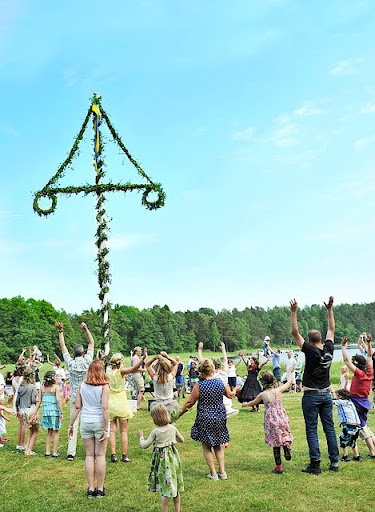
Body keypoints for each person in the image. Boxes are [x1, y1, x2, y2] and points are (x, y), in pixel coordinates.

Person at [290, 296, 339, 474]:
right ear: (320, 339)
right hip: (326, 394)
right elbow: (332, 329)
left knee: (312, 429)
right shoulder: (329, 349)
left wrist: (294, 312)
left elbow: (295, 333)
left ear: (310, 341)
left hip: (311, 395)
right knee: (329, 428)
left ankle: (316, 464)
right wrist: (330, 310)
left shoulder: (309, 350)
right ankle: (334, 463)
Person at [177, 359, 239, 480]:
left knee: (206, 446)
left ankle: (213, 473)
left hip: (205, 417)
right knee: (218, 445)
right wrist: (235, 390)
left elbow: (190, 402)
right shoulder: (220, 382)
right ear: (212, 370)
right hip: (220, 417)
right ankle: (222, 472)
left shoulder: (199, 385)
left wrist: (179, 414)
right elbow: (230, 395)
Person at [68, 360, 109, 498]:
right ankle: (100, 488)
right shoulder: (104, 386)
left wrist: (71, 424)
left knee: (89, 455)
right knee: (100, 455)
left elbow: (77, 407)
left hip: (86, 421)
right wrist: (106, 428)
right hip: (99, 421)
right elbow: (104, 408)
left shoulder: (81, 386)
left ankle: (91, 489)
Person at [55, 321, 94, 461]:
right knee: (89, 422)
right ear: (83, 353)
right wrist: (85, 329)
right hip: (87, 395)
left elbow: (62, 346)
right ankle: (91, 450)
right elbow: (91, 342)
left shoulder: (70, 363)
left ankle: (71, 453)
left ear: (73, 353)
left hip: (73, 396)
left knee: (74, 424)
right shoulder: (87, 361)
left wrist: (61, 331)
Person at [242, 369, 294, 474]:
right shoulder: (278, 390)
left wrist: (245, 404)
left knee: (275, 444)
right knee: (284, 435)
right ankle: (286, 444)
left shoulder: (263, 394)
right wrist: (289, 372)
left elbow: (253, 402)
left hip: (271, 420)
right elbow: (289, 383)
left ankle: (279, 468)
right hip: (282, 417)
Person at [138, 404, 184, 512]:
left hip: (162, 462)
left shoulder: (155, 431)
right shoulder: (173, 428)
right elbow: (182, 439)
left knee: (165, 489)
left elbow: (145, 445)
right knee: (175, 487)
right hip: (173, 460)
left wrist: (141, 437)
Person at [106, 351, 147, 463]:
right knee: (123, 431)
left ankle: (113, 455)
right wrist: (143, 359)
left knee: (112, 431)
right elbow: (133, 369)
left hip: (111, 402)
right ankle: (124, 455)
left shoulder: (108, 373)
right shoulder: (121, 371)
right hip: (121, 402)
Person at [342, 335, 375, 458]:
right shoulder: (369, 372)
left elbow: (346, 361)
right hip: (365, 402)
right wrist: (369, 342)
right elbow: (370, 356)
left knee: (362, 428)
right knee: (364, 425)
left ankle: (372, 452)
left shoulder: (360, 374)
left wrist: (344, 347)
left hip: (357, 402)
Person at [35, 370, 63, 457]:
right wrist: (61, 412)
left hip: (46, 412)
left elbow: (39, 400)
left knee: (49, 432)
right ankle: (54, 452)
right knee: (56, 431)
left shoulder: (42, 387)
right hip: (54, 411)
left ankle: (47, 451)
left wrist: (35, 411)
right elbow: (58, 400)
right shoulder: (56, 387)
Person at [15, 367, 41, 456]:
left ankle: (27, 448)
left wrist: (18, 411)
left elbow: (17, 401)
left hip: (22, 411)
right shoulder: (32, 387)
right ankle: (28, 450)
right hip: (30, 411)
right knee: (36, 430)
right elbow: (33, 400)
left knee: (31, 430)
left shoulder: (20, 387)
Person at [146, 352, 180, 417]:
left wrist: (155, 358)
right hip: (170, 403)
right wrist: (166, 356)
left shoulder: (155, 378)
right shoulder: (170, 377)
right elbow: (176, 363)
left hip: (158, 404)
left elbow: (147, 365)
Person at [333, 388, 362, 462]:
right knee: (353, 440)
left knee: (343, 439)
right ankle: (357, 456)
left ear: (340, 397)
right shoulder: (350, 402)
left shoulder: (340, 402)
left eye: (337, 395)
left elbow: (330, 402)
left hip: (349, 425)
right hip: (357, 425)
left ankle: (345, 456)